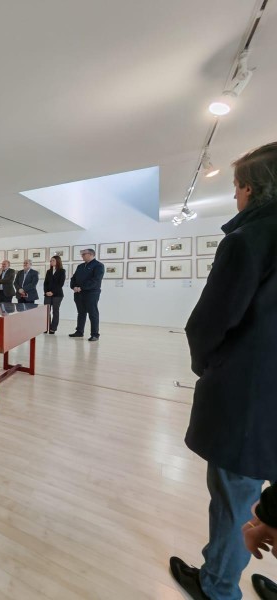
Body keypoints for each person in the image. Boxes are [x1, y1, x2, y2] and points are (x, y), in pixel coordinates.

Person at [169, 142, 277, 600]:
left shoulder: (249, 238)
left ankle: (216, 588)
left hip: (252, 401)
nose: (235, 196)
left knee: (236, 501)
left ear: (251, 188)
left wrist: (208, 366)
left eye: (236, 187)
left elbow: (208, 324)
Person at [69, 248, 104, 341]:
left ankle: (95, 334)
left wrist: (81, 287)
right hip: (78, 293)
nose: (82, 256)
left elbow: (96, 280)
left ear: (91, 254)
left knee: (93, 313)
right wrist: (73, 287)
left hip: (91, 293)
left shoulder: (98, 265)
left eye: (84, 254)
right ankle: (79, 331)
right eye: (82, 254)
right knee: (81, 313)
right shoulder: (80, 266)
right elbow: (73, 278)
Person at [43, 255, 66, 334]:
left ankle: (53, 328)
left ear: (57, 261)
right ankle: (46, 327)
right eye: (50, 261)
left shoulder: (62, 271)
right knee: (46, 311)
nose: (51, 262)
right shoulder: (48, 271)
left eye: (53, 260)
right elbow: (45, 283)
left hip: (57, 294)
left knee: (55, 311)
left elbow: (60, 284)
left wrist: (52, 292)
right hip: (47, 294)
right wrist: (46, 292)